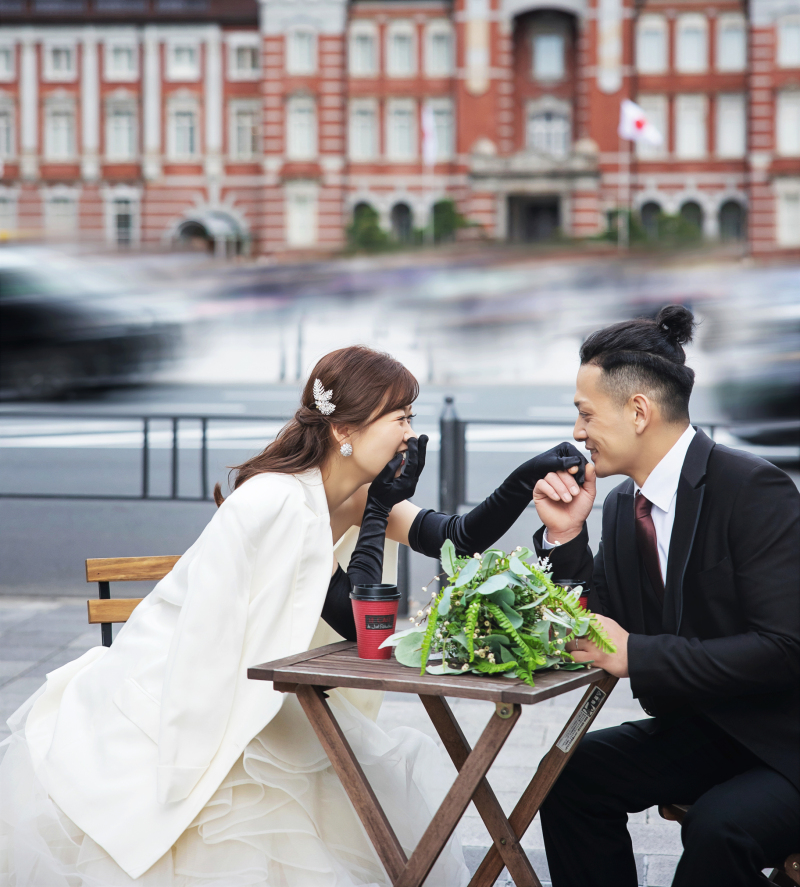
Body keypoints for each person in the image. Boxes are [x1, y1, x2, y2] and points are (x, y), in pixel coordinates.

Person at [0, 345, 585, 887]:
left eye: (411, 417)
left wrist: (524, 478)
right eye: (399, 418)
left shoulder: (353, 490)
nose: (411, 434)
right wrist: (378, 509)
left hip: (272, 678)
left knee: (344, 771)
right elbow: (360, 621)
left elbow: (455, 536)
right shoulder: (280, 501)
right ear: (344, 430)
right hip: (200, 689)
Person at [531, 305, 800, 887]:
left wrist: (639, 654)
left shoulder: (754, 488)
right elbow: (596, 624)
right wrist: (566, 537)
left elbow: (785, 648)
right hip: (707, 732)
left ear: (638, 411)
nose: (577, 432)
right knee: (566, 775)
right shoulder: (620, 509)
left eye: (585, 414)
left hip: (786, 741)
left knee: (718, 828)